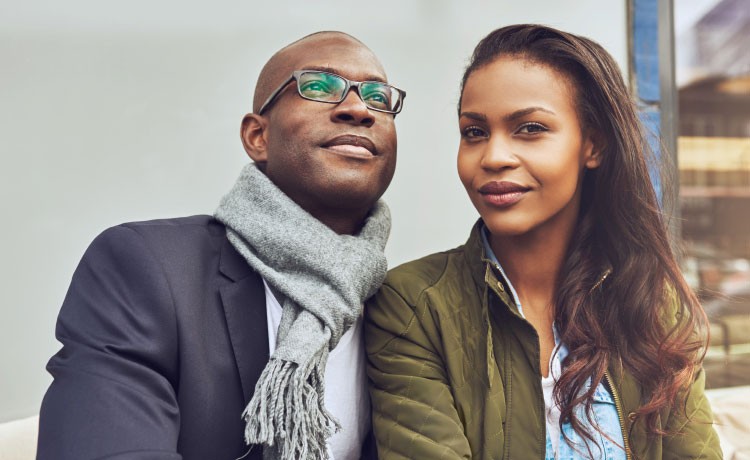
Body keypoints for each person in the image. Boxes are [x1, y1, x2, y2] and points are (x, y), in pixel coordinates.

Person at [38, 31, 405, 460]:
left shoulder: (405, 307)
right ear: (257, 137)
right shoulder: (145, 267)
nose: (359, 109)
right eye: (320, 87)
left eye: (378, 97)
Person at [365, 24, 721, 459]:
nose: (494, 156)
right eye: (474, 132)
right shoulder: (413, 304)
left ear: (593, 144)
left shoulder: (653, 302)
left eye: (530, 128)